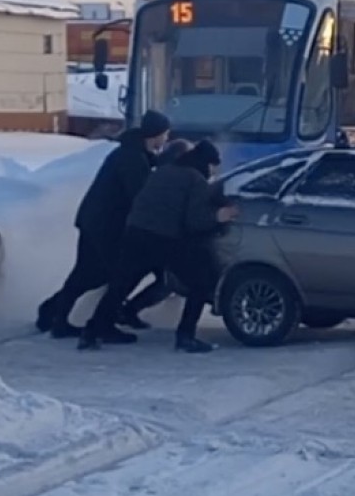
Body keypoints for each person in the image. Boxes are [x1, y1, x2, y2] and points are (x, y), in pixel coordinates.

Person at [79, 139, 237, 353]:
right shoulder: (195, 179)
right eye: (213, 167)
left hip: (135, 233)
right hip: (165, 238)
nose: (214, 172)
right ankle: (185, 336)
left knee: (122, 283)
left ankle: (93, 331)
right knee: (202, 282)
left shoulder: (163, 171)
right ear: (207, 163)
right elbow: (194, 220)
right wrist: (218, 216)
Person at [35, 110, 170, 338]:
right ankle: (94, 323)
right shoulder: (132, 158)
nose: (167, 139)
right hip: (103, 224)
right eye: (166, 134)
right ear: (156, 134)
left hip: (95, 220)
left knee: (88, 273)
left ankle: (54, 315)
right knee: (108, 273)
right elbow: (139, 195)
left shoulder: (132, 152)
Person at [115, 138, 193, 329]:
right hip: (156, 235)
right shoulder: (178, 177)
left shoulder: (158, 173)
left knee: (133, 276)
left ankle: (115, 312)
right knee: (167, 281)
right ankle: (125, 311)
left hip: (140, 232)